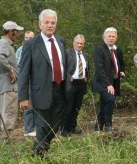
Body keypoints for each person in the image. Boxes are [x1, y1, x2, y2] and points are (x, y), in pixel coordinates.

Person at [18, 9, 67, 155]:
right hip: (41, 91)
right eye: (47, 22)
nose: (50, 25)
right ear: (40, 25)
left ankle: (38, 149)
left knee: (56, 124)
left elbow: (63, 64)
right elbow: (23, 72)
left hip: (60, 88)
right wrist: (23, 96)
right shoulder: (31, 44)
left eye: (53, 23)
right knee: (43, 125)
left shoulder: (61, 41)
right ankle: (40, 156)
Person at [0, 21, 23, 142]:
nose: (18, 34)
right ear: (11, 32)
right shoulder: (4, 43)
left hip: (4, 87)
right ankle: (3, 144)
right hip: (9, 86)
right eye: (16, 31)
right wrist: (10, 71)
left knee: (2, 114)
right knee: (9, 113)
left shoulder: (4, 43)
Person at [93, 27, 125, 132]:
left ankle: (98, 125)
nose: (111, 38)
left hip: (115, 82)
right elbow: (99, 69)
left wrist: (122, 71)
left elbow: (121, 63)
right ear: (104, 37)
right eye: (109, 36)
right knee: (110, 100)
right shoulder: (100, 50)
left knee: (104, 103)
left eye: (113, 36)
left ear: (116, 38)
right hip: (103, 82)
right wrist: (108, 84)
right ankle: (108, 125)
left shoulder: (117, 50)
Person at [62, 34, 90, 136]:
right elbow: (62, 67)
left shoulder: (85, 55)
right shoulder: (67, 52)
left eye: (81, 43)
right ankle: (64, 128)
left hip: (81, 83)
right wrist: (69, 77)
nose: (79, 45)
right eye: (78, 43)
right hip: (71, 83)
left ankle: (73, 126)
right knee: (68, 107)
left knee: (77, 107)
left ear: (84, 44)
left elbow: (87, 68)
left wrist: (87, 76)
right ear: (74, 43)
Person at [16, 30, 37, 137]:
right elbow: (19, 68)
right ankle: (28, 130)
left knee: (37, 105)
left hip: (37, 82)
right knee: (28, 106)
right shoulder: (21, 50)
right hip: (27, 81)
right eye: (27, 38)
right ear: (24, 39)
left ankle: (36, 128)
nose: (29, 40)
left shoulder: (38, 49)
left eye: (31, 38)